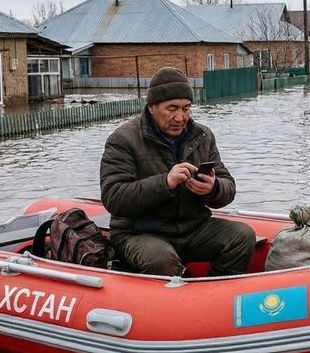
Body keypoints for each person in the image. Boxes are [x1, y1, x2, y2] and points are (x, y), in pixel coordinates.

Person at [100, 67, 256, 277]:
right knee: (161, 259)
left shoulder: (202, 136)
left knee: (242, 236)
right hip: (138, 233)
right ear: (152, 107)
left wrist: (213, 188)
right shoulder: (123, 140)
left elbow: (228, 185)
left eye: (186, 108)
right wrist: (165, 182)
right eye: (172, 108)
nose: (180, 117)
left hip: (193, 229)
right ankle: (171, 303)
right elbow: (114, 197)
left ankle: (216, 295)